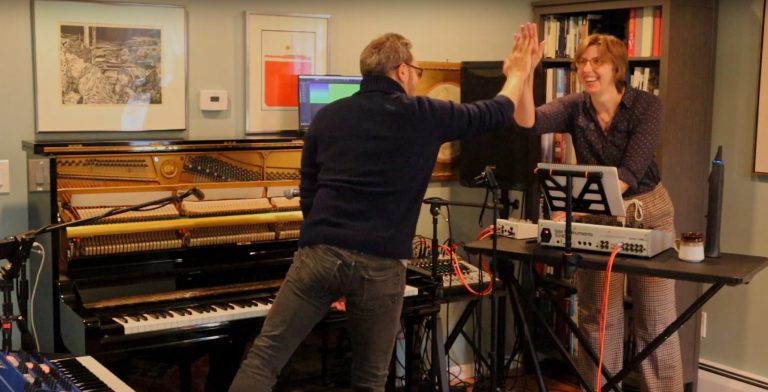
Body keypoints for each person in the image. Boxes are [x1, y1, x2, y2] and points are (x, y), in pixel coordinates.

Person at [229, 25, 537, 392]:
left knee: (264, 359)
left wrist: (333, 261)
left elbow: (308, 195)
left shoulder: (326, 117)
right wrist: (518, 73)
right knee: (370, 379)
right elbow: (495, 113)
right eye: (417, 71)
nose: (417, 79)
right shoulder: (423, 113)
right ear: (402, 70)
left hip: (318, 257)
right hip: (380, 266)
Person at [514, 26, 683, 392]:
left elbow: (629, 174)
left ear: (617, 67)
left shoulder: (646, 106)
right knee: (596, 318)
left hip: (646, 214)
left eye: (597, 62)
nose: (587, 70)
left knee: (655, 320)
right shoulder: (575, 107)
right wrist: (526, 74)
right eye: (582, 63)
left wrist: (576, 208)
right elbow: (528, 123)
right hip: (598, 214)